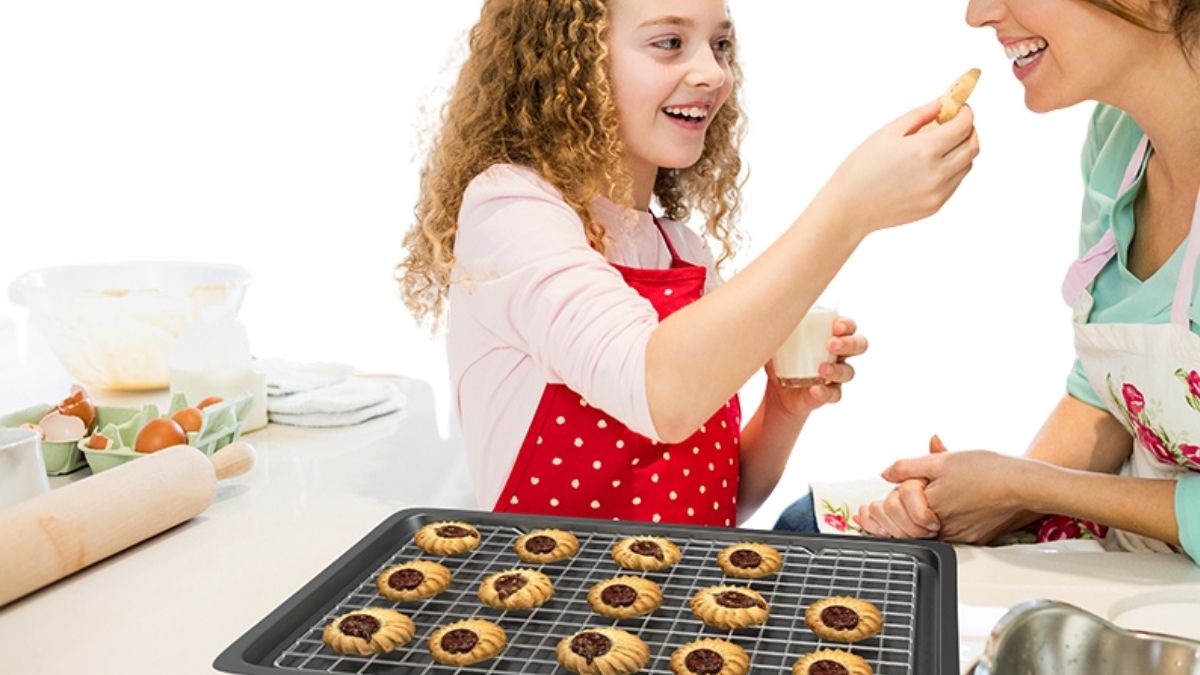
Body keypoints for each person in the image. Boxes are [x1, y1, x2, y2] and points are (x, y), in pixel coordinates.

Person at [397, 0, 978, 528]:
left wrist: (782, 407)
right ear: (570, 60)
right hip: (553, 608)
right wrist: (848, 209)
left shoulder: (685, 254)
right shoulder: (511, 209)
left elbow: (722, 496)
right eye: (670, 43)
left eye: (719, 45)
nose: (713, 73)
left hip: (684, 611)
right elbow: (662, 397)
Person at [856, 0, 1200, 562]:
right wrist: (985, 501)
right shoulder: (1118, 141)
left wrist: (1024, 486)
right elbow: (1110, 397)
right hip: (1145, 564)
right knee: (815, 525)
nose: (977, 13)